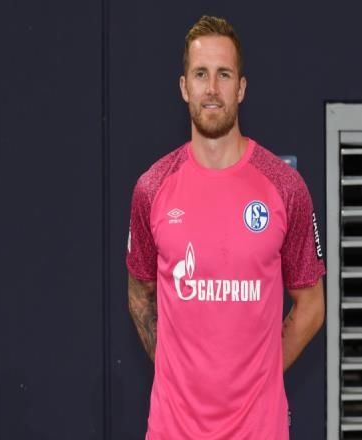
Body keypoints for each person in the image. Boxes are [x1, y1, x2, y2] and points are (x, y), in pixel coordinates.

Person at [126, 15, 326, 440]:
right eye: (201, 74)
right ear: (184, 87)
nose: (212, 88)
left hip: (259, 429)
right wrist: (177, 372)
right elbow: (140, 291)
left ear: (241, 88)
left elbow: (311, 305)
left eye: (224, 74)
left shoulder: (285, 187)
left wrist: (259, 376)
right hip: (173, 429)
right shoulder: (152, 187)